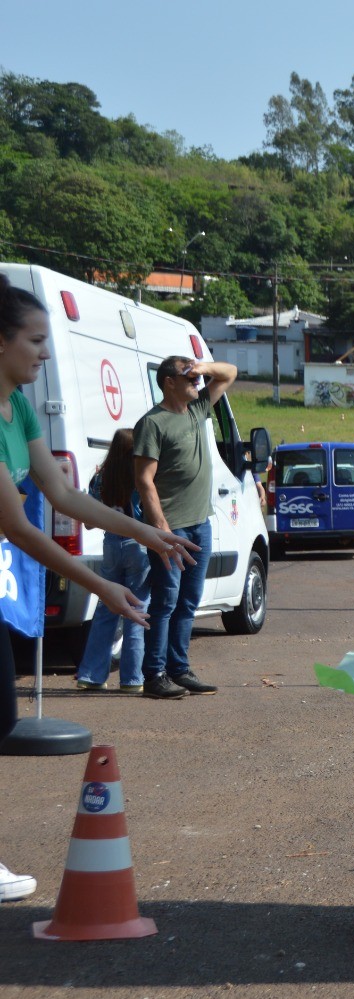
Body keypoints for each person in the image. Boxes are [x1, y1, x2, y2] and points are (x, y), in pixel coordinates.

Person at [0, 277, 196, 897]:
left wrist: (148, 533)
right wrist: (104, 588)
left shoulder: (20, 406)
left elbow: (62, 496)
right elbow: (20, 526)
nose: (46, 353)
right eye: (35, 340)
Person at [133, 353, 241, 700]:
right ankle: (155, 675)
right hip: (172, 528)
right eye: (188, 378)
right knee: (165, 600)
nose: (197, 383)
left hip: (200, 524)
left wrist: (202, 368)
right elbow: (144, 481)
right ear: (168, 383)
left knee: (189, 601)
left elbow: (230, 373)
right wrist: (161, 530)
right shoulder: (153, 423)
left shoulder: (197, 410)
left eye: (196, 378)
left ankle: (179, 669)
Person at [75, 429, 151, 694]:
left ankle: (91, 675)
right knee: (136, 611)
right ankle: (132, 679)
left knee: (106, 610)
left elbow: (88, 520)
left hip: (111, 545)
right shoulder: (141, 476)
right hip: (138, 546)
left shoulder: (101, 478)